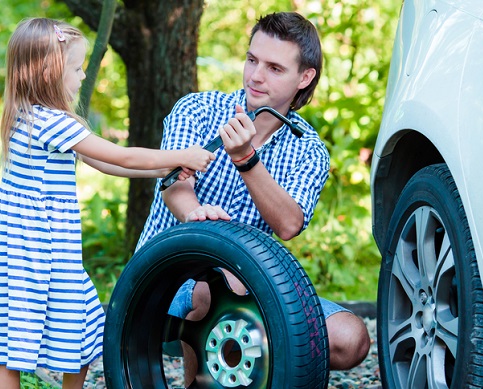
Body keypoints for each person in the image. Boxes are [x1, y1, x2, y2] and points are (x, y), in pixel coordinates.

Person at [0, 18, 214, 389]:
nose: (83, 75)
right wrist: (183, 154)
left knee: (82, 333)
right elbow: (121, 155)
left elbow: (103, 162)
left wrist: (167, 166)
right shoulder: (51, 121)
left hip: (37, 251)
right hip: (34, 255)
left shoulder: (30, 116)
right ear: (48, 72)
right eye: (76, 68)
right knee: (17, 348)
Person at [136, 11, 371, 379]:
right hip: (168, 279)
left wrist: (246, 159)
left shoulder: (309, 149)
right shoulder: (196, 109)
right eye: (252, 60)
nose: (256, 75)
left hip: (252, 283)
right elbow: (175, 188)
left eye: (275, 68)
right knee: (211, 290)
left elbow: (290, 223)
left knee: (350, 337)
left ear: (304, 78)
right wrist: (199, 218)